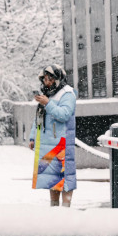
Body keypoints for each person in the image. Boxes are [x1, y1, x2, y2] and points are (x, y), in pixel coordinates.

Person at [29, 64, 77, 207]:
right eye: (44, 79)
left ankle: (66, 209)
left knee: (66, 178)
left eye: (50, 79)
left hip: (61, 142)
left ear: (58, 79)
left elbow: (64, 115)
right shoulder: (47, 94)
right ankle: (54, 208)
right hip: (47, 143)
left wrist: (48, 104)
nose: (47, 82)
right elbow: (38, 118)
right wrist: (33, 137)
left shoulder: (67, 94)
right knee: (52, 178)